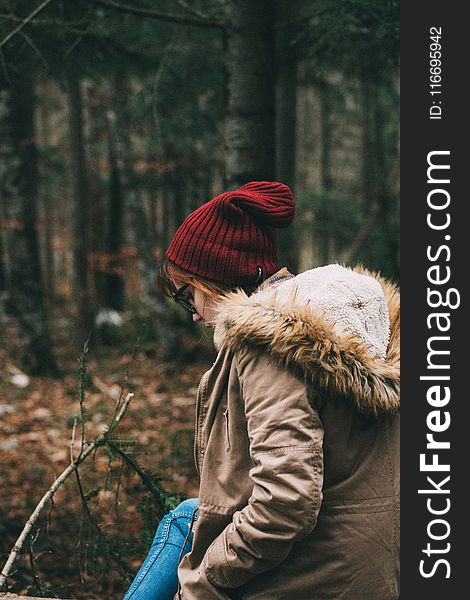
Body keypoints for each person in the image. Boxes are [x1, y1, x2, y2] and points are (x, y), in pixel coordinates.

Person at [123, 181, 400, 600]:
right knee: (185, 517)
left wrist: (200, 586)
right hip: (370, 568)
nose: (194, 315)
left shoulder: (270, 346)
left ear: (217, 277)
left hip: (311, 579)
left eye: (187, 295)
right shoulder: (356, 329)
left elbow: (284, 503)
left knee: (189, 539)